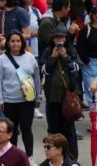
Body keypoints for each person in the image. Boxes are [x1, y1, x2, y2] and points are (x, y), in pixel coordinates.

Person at [0, 30, 41, 157]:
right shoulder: (1, 60)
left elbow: (36, 78)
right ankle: (12, 158)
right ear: (8, 43)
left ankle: (29, 158)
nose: (15, 44)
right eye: (12, 41)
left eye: (18, 41)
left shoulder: (30, 57)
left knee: (26, 129)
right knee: (11, 132)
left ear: (22, 42)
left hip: (27, 101)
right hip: (9, 101)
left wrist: (38, 96)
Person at [44, 28, 82, 159]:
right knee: (53, 130)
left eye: (61, 38)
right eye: (56, 38)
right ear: (53, 40)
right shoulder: (48, 52)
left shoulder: (71, 51)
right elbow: (44, 71)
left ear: (65, 39)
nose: (59, 41)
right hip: (52, 97)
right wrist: (52, 58)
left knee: (69, 131)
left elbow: (77, 68)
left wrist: (66, 57)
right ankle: (53, 157)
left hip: (67, 99)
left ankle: (71, 158)